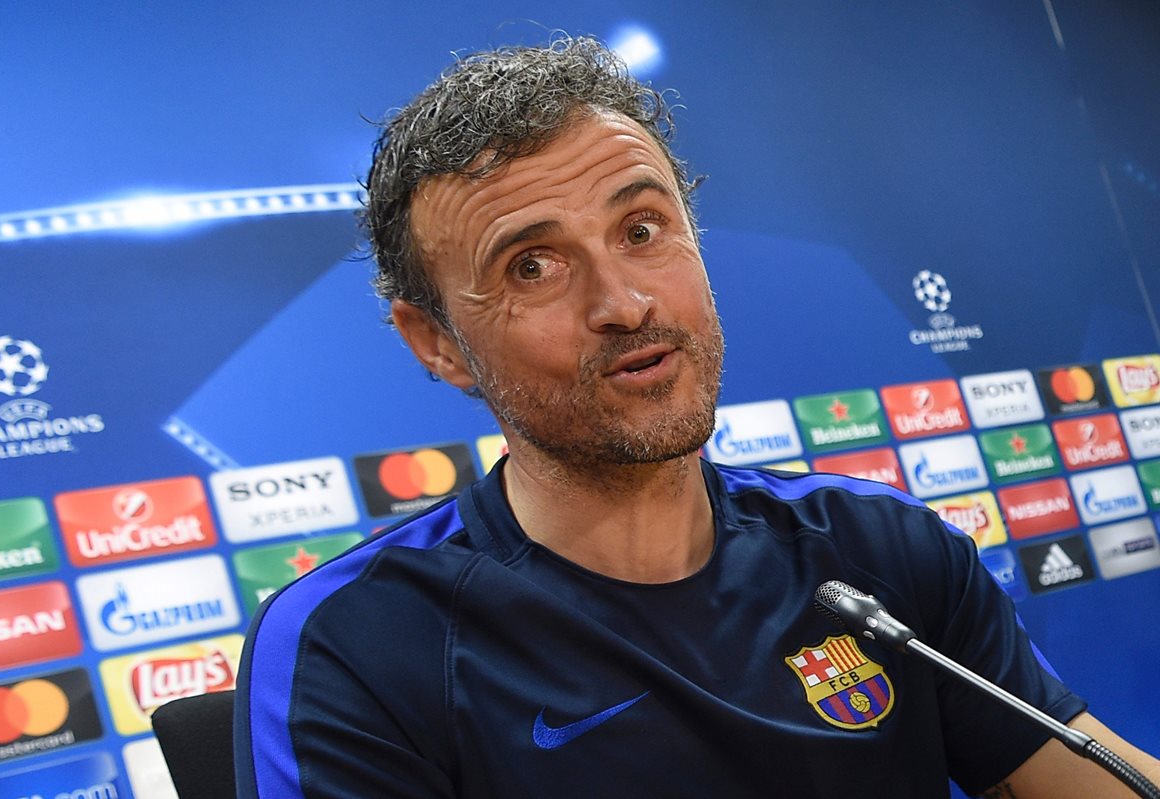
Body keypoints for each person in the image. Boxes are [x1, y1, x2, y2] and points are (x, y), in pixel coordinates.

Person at [234, 36, 1159, 798]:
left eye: (642, 229)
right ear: (432, 340)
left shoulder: (881, 553)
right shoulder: (358, 642)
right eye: (532, 266)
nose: (626, 302)